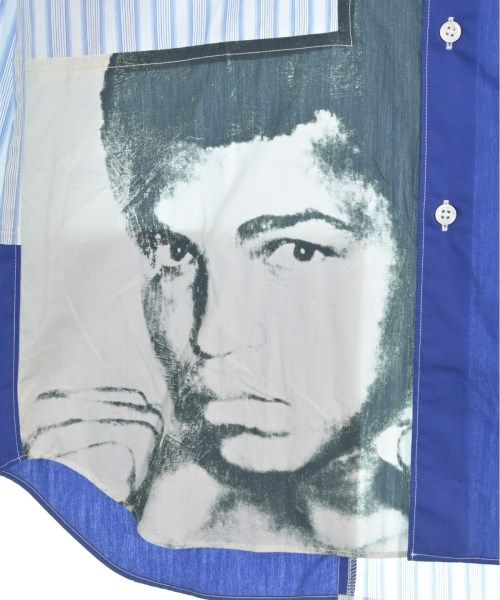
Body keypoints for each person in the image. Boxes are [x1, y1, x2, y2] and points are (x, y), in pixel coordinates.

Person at [23, 47, 412, 555]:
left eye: (297, 251)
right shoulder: (112, 485)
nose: (210, 336)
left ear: (417, 254)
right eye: (176, 251)